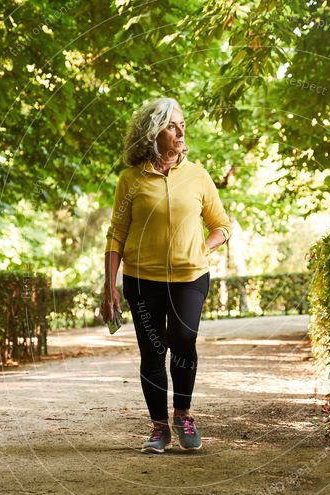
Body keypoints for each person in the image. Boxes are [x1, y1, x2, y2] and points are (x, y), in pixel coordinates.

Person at [100, 97, 232, 454]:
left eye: (181, 124)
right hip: (143, 281)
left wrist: (204, 248)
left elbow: (222, 225)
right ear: (152, 133)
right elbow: (116, 234)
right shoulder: (130, 180)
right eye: (172, 126)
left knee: (184, 341)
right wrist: (109, 285)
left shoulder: (198, 176)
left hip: (191, 277)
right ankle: (159, 428)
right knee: (152, 352)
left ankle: (183, 415)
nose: (180, 131)